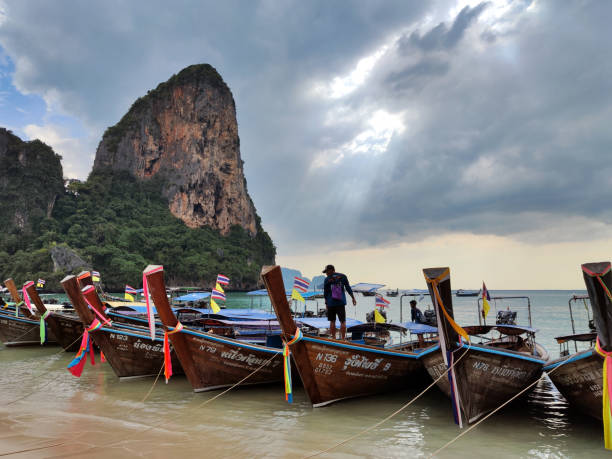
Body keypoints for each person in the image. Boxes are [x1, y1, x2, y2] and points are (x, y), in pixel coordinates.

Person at [322, 264, 356, 340]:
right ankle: (343, 339)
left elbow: (325, 293)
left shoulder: (327, 279)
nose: (326, 274)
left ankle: (334, 339)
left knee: (332, 321)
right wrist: (353, 298)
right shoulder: (343, 276)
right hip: (340, 302)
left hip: (331, 303)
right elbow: (348, 288)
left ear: (332, 270)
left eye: (327, 272)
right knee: (342, 321)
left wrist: (326, 303)